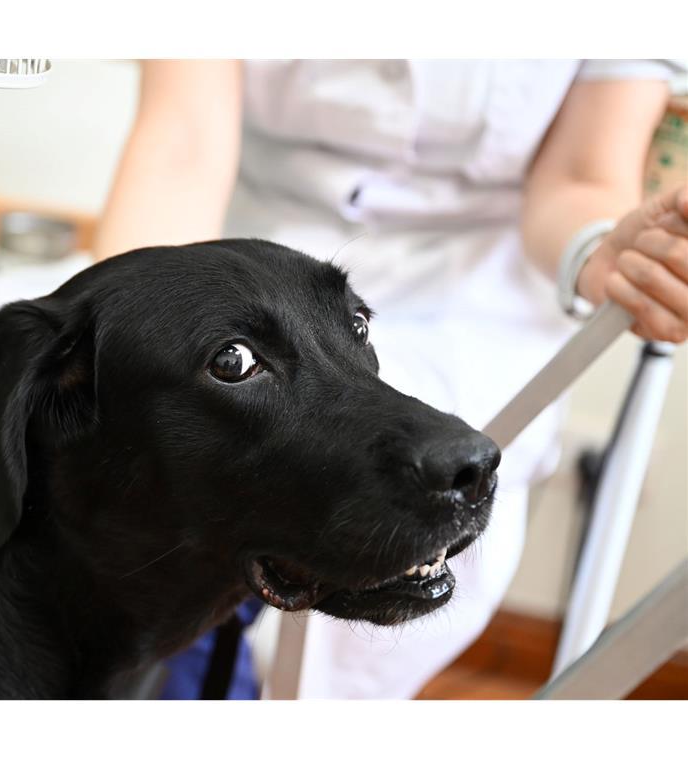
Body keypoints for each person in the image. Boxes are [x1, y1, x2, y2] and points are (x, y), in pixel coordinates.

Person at [92, 60, 688, 698]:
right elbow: (183, 144)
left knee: (387, 534)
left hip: (477, 313)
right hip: (253, 272)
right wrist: (136, 351)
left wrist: (606, 253)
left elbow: (580, 176)